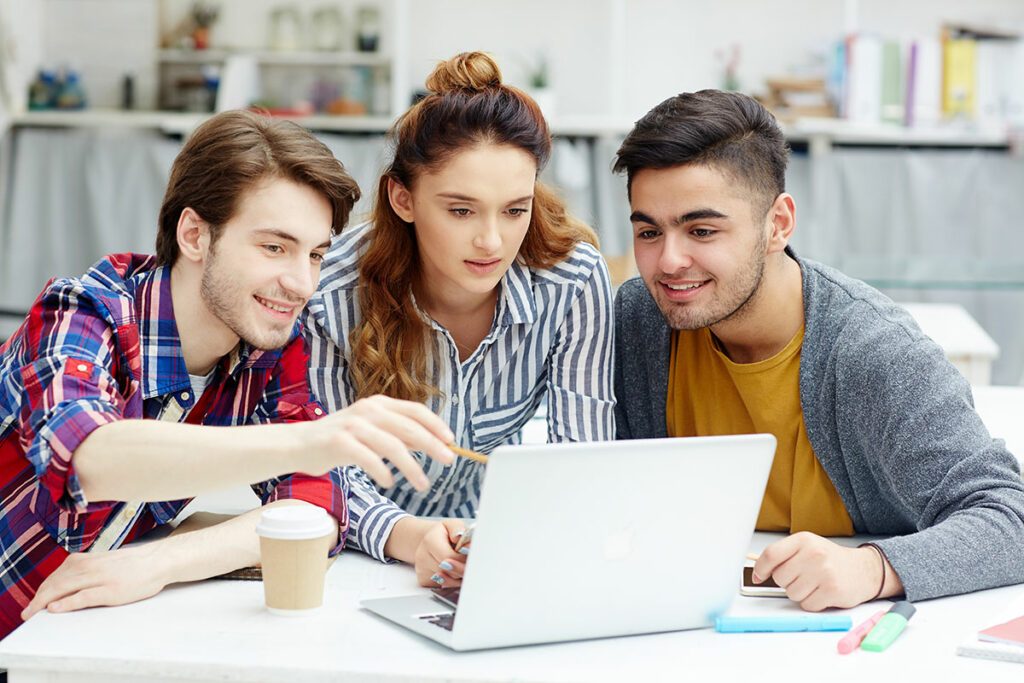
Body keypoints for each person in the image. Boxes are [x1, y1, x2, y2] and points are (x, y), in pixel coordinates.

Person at [0, 110, 457, 639]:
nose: (302, 283)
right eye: (274, 247)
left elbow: (317, 507)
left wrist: (156, 564)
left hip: (59, 642)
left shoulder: (265, 344)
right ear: (194, 235)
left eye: (315, 254)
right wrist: (311, 439)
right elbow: (90, 458)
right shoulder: (81, 313)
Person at [611, 89, 1024, 610]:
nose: (669, 261)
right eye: (649, 231)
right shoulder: (640, 319)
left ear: (778, 224)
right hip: (688, 621)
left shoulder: (875, 353)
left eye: (702, 229)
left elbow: (1009, 518)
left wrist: (873, 568)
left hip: (854, 635)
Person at [305, 52, 615, 587]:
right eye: (460, 210)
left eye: (515, 210)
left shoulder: (573, 278)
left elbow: (581, 460)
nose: (492, 242)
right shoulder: (330, 289)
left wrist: (512, 538)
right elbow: (321, 473)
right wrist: (411, 537)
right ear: (403, 199)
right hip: (353, 559)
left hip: (487, 551)